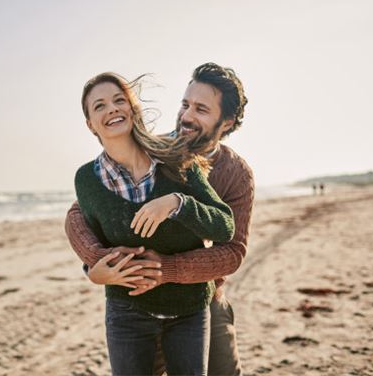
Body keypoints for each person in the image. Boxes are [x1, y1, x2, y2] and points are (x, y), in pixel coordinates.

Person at [66, 63, 253, 376]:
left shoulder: (236, 174)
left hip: (201, 296)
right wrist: (98, 264)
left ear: (227, 121)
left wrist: (165, 269)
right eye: (185, 104)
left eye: (202, 110)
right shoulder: (158, 149)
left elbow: (232, 251)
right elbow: (79, 213)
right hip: (140, 298)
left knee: (225, 370)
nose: (187, 116)